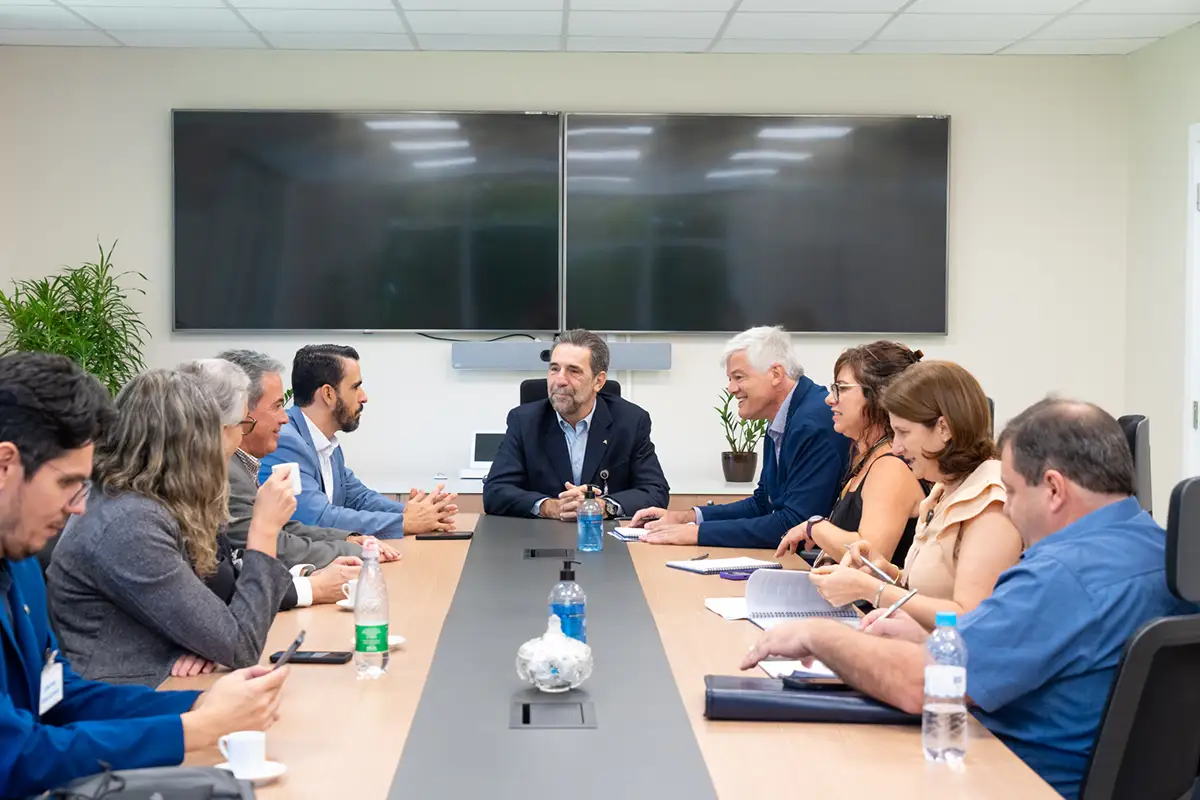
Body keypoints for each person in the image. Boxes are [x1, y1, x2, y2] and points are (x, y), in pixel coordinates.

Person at [741, 399, 1197, 799]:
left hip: (1013, 780)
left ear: (1055, 489)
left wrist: (818, 635)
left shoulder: (1061, 576)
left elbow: (921, 685)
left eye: (1012, 492)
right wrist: (930, 638)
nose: (1008, 510)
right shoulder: (1163, 552)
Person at [0, 352, 288, 798]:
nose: (78, 505)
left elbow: (57, 698)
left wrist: (197, 704)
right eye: (66, 483)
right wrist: (194, 729)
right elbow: (15, 757)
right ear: (5, 465)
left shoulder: (18, 560)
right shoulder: (114, 524)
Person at [48, 367, 297, 687]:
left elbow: (216, 622)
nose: (231, 445)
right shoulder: (130, 522)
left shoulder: (145, 502)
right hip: (113, 700)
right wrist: (264, 531)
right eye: (226, 431)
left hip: (154, 684)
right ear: (193, 445)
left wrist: (197, 642)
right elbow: (241, 645)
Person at [803, 361, 1022, 629]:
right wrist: (885, 573)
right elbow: (931, 592)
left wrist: (871, 589)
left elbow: (969, 617)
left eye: (903, 433)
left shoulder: (990, 499)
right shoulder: (944, 490)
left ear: (944, 428)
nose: (896, 447)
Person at [631, 325, 849, 548]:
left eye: (738, 377)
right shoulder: (785, 416)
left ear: (776, 374)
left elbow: (795, 524)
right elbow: (762, 504)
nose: (731, 388)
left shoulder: (812, 423)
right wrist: (687, 517)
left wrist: (697, 534)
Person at [217, 350, 401, 586]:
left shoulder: (328, 445)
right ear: (240, 411)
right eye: (277, 406)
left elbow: (285, 526)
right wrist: (357, 550)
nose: (284, 418)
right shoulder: (230, 469)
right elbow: (292, 531)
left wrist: (349, 537)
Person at [261, 344, 456, 538]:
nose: (364, 397)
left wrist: (412, 512)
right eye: (355, 387)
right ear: (328, 394)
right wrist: (404, 522)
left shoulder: (327, 444)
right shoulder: (284, 442)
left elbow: (358, 498)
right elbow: (317, 519)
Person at [484, 329, 670, 520]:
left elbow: (656, 491)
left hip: (604, 533)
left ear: (598, 381)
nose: (560, 380)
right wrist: (550, 507)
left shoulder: (631, 421)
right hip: (540, 533)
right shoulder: (524, 421)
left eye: (573, 371)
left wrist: (604, 506)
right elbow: (495, 492)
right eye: (554, 369)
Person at [775, 341, 926, 565]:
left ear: (879, 396)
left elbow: (869, 558)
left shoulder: (891, 468)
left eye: (842, 388)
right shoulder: (866, 459)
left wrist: (815, 527)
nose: (830, 399)